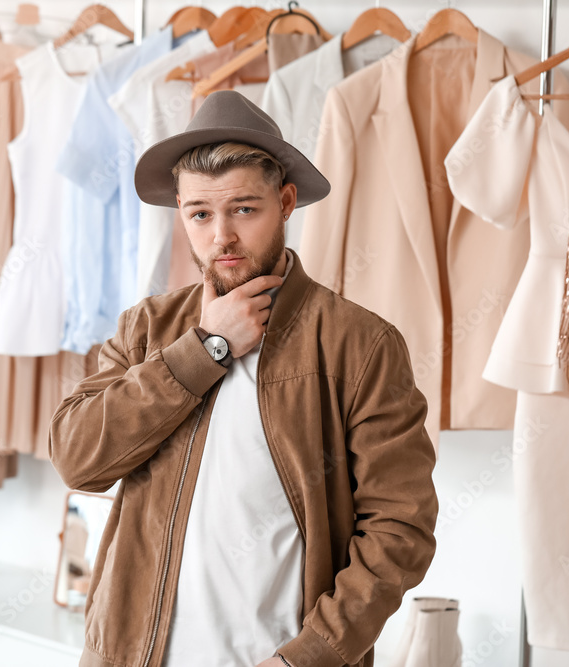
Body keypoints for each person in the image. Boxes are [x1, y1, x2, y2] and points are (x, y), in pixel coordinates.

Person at [50, 90, 438, 667]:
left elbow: (400, 529)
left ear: (285, 203)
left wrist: (308, 657)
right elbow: (77, 457)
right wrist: (205, 348)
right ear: (181, 212)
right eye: (200, 214)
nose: (221, 237)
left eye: (243, 209)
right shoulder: (146, 329)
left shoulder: (360, 345)